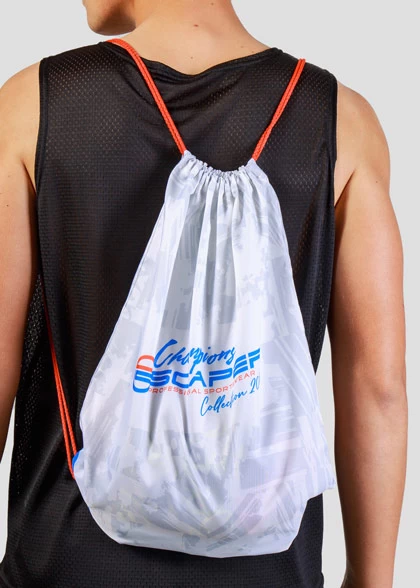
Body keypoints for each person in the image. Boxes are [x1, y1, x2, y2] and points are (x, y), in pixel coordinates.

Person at [0, 0, 407, 587]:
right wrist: (371, 580)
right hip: (270, 573)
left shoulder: (34, 106)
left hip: (64, 564)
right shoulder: (344, 122)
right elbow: (379, 387)